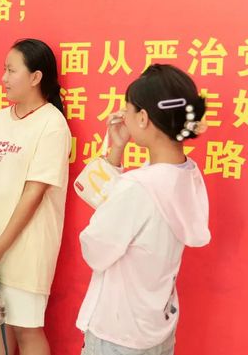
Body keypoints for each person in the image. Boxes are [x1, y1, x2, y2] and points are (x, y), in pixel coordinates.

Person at [77, 64, 211, 355]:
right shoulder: (187, 174)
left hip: (118, 334)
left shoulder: (137, 187)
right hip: (157, 327)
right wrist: (117, 149)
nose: (123, 116)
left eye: (128, 109)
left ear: (143, 117)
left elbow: (95, 251)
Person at [0, 39, 71, 355]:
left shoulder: (52, 123)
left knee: (27, 329)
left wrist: (0, 247)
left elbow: (34, 193)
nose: (4, 78)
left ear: (36, 77)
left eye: (11, 71)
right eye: (4, 69)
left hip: (27, 247)